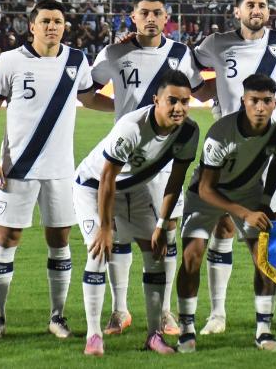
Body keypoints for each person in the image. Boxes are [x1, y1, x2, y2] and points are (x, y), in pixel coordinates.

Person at [0, 0, 114, 341]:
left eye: (57, 21)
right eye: (45, 21)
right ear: (32, 26)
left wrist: (124, 107)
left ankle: (57, 316)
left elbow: (88, 98)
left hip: (61, 170)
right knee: (7, 238)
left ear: (64, 26)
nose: (52, 26)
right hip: (17, 169)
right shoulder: (10, 61)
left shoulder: (76, 60)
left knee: (59, 240)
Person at [87, 0, 208, 337]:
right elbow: (86, 94)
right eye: (144, 13)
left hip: (165, 158)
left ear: (166, 17)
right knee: (119, 233)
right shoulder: (114, 53)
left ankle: (165, 311)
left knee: (165, 232)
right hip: (127, 158)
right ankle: (119, 310)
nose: (151, 18)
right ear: (133, 17)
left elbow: (198, 92)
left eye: (157, 12)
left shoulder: (181, 54)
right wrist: (119, 110)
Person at [192, 0, 276, 334]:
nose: (257, 10)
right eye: (250, 5)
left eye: (262, 5)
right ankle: (217, 314)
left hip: (272, 147)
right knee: (222, 224)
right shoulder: (216, 44)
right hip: (229, 147)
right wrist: (210, 94)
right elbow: (189, 68)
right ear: (237, 11)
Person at [73, 70, 200, 357]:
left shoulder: (189, 132)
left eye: (185, 101)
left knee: (155, 254)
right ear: (156, 100)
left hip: (135, 189)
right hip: (93, 187)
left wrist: (162, 224)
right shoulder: (131, 127)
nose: (179, 108)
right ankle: (93, 336)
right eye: (172, 101)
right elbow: (107, 178)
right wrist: (106, 228)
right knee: (98, 252)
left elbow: (174, 181)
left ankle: (154, 335)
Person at [175, 74, 276, 354]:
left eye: (266, 101)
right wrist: (244, 213)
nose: (260, 107)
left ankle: (263, 331)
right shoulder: (220, 133)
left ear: (275, 103)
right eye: (254, 101)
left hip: (248, 193)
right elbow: (206, 188)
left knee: (264, 257)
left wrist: (265, 202)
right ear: (243, 101)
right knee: (192, 255)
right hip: (205, 195)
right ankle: (186, 330)